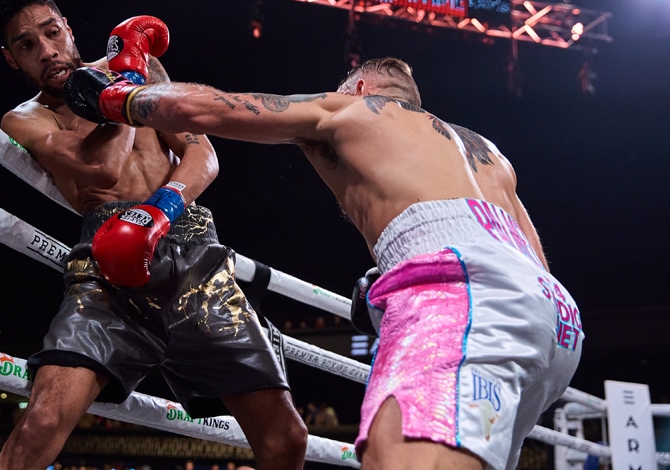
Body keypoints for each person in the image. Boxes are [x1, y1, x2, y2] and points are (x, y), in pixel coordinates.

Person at [63, 56, 584, 470]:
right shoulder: (485, 151)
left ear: (357, 88)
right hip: (555, 322)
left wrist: (121, 99)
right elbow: (523, 258)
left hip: (462, 297)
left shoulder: (354, 111)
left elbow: (217, 109)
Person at [0, 0, 307, 470]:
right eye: (27, 45)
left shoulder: (137, 64)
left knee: (286, 438)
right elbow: (101, 170)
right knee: (41, 422)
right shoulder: (27, 118)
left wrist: (162, 208)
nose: (46, 50)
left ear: (67, 27)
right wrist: (122, 92)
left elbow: (202, 152)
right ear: (12, 58)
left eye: (51, 33)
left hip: (191, 250)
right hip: (106, 268)